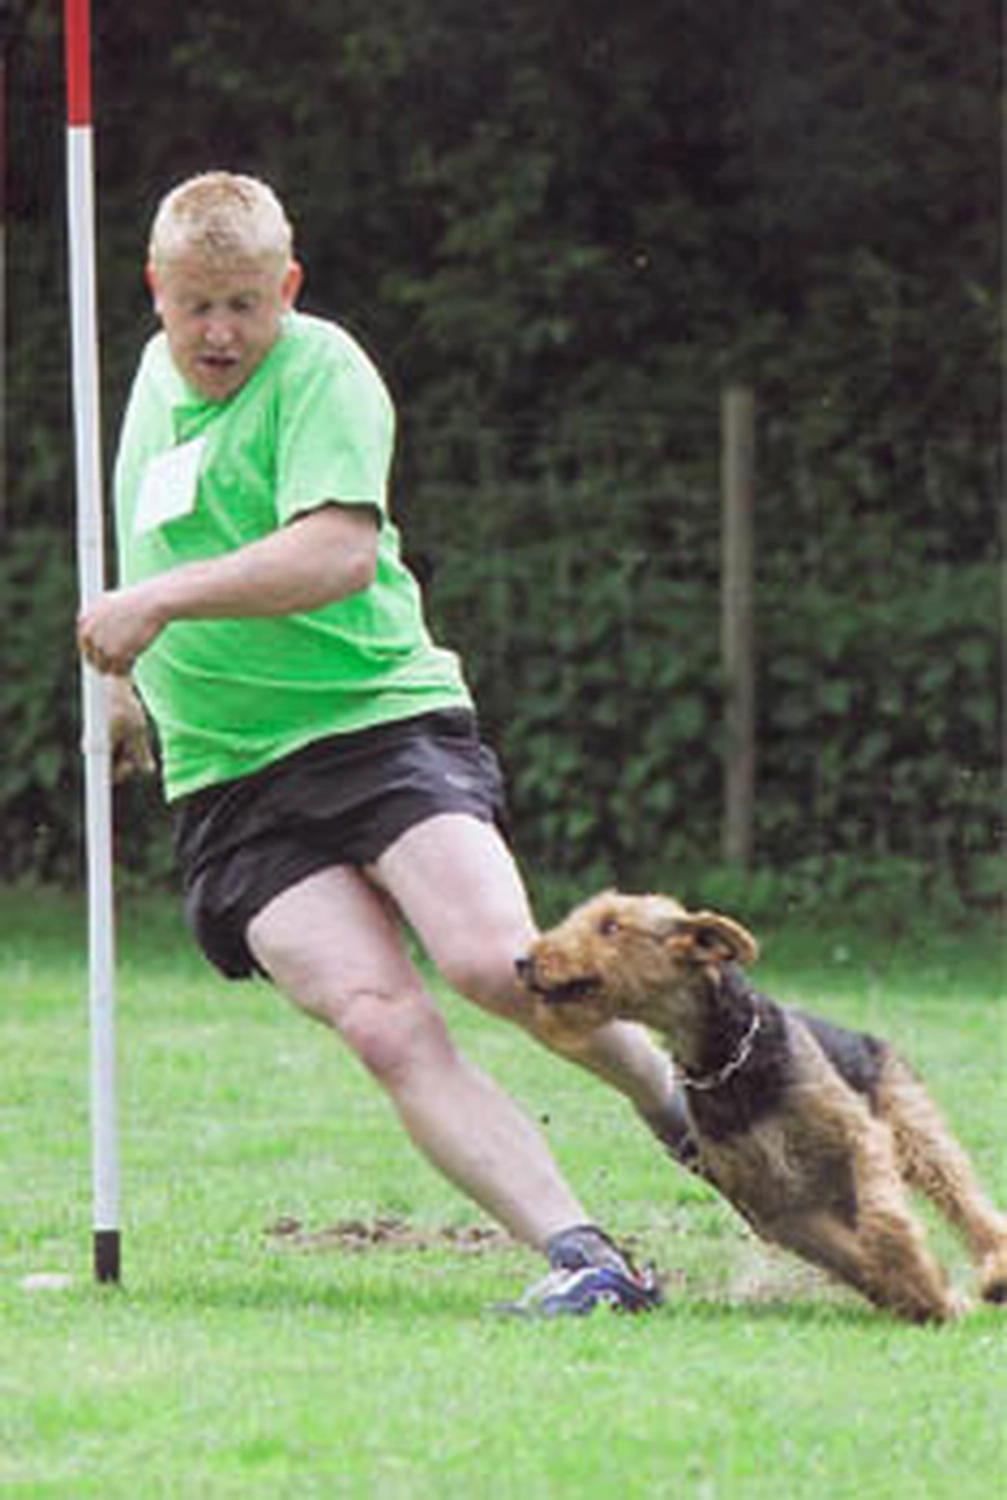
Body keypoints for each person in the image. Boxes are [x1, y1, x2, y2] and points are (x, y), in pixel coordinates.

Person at [77, 172, 695, 1316]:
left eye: (246, 306)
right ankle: (586, 1259)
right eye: (197, 305)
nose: (220, 334)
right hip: (230, 782)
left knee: (495, 965)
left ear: (289, 287)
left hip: (375, 725)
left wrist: (156, 605)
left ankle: (689, 1113)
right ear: (156, 290)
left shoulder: (322, 370)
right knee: (379, 1017)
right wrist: (124, 684)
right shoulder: (141, 380)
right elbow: (141, 536)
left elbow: (334, 555)